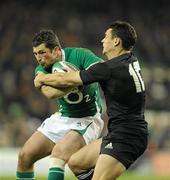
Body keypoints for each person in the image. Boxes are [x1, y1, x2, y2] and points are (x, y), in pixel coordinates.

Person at [35, 21, 148, 180]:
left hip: (127, 136)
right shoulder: (131, 59)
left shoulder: (109, 68)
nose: (102, 40)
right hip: (120, 132)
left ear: (116, 41)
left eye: (106, 37)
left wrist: (41, 79)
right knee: (76, 163)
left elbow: (67, 80)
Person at [16, 29, 105, 180]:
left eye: (42, 52)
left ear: (56, 50)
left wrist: (73, 79)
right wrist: (72, 83)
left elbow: (102, 69)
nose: (38, 58)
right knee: (25, 156)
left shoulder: (79, 55)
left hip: (87, 118)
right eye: (35, 54)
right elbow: (50, 94)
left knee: (58, 155)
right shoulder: (42, 68)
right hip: (63, 116)